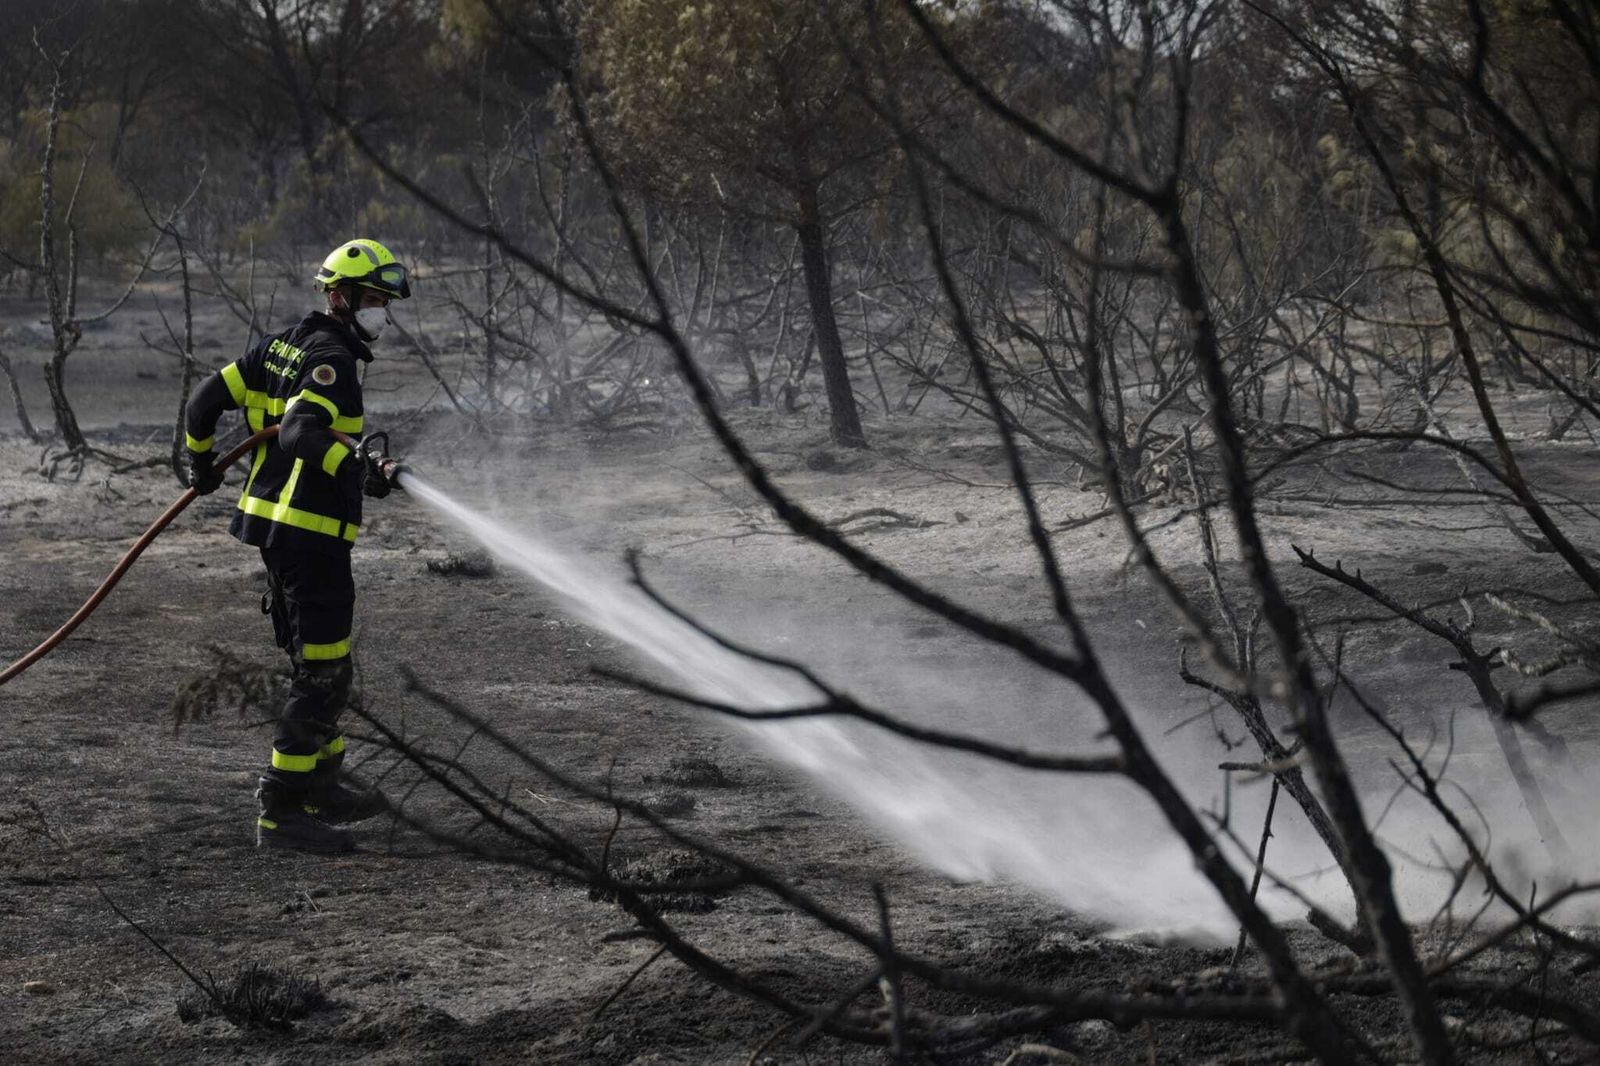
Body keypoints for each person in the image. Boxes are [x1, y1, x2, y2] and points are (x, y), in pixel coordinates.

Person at [184, 238, 410, 853]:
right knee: (325, 674)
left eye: (384, 303)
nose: (379, 314)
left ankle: (321, 783)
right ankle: (281, 810)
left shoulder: (280, 345)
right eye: (370, 300)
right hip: (309, 538)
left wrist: (201, 464)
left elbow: (204, 400)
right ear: (337, 297)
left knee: (317, 662)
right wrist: (356, 468)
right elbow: (302, 430)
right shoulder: (331, 358)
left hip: (276, 533)